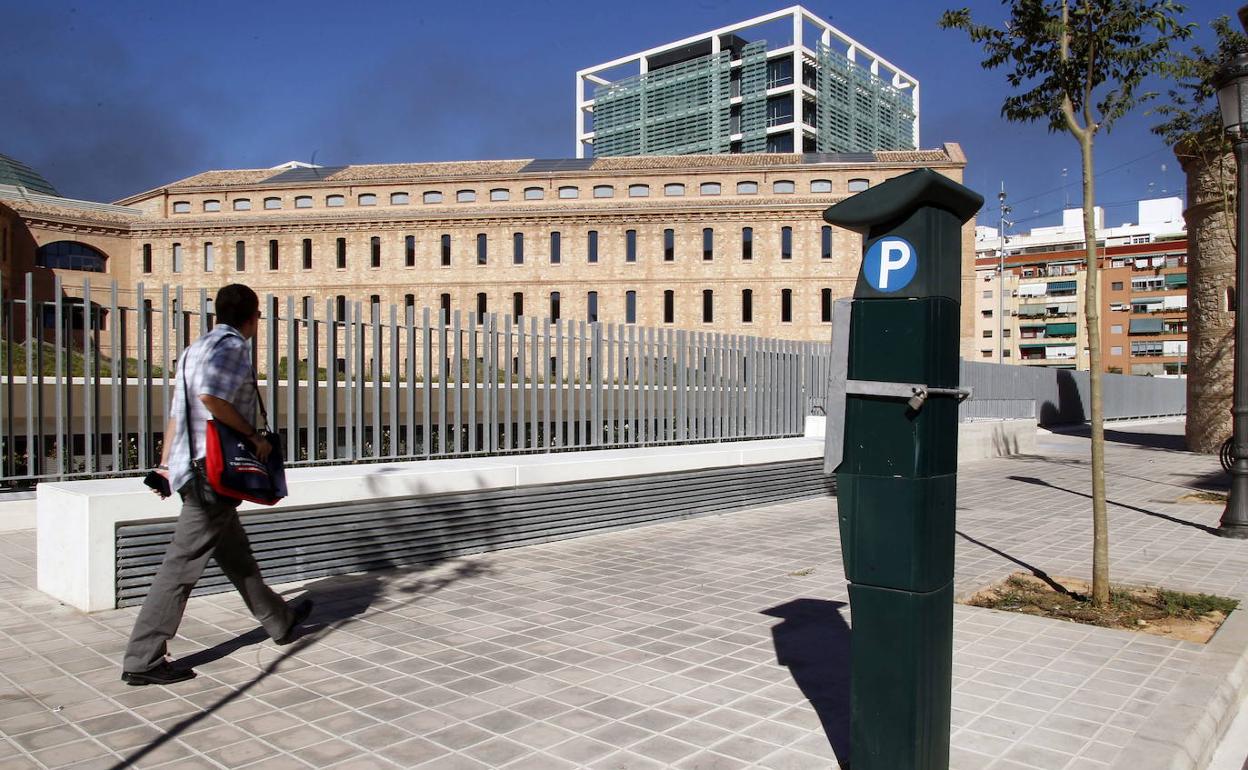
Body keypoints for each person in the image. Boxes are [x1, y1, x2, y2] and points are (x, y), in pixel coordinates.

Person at [121, 284, 312, 686]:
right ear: (253, 316)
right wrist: (255, 437)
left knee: (236, 556)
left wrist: (163, 465)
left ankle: (280, 620)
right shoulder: (232, 347)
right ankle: (143, 658)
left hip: (192, 468)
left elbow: (178, 413)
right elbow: (212, 398)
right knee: (181, 566)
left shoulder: (194, 350)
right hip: (213, 473)